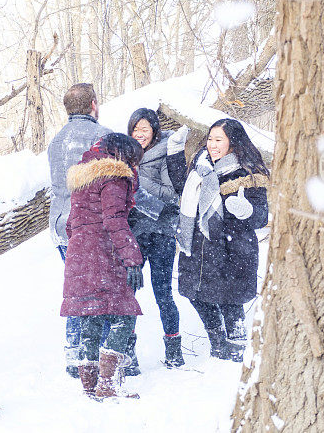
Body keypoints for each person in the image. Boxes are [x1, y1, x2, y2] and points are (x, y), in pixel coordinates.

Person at [175, 118, 269, 362]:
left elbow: (261, 215)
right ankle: (218, 345)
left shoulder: (248, 172)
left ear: (233, 142)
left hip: (233, 250)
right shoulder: (199, 168)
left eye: (219, 140)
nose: (212, 145)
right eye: (210, 139)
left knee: (230, 303)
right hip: (199, 248)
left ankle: (236, 355)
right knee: (196, 295)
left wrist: (247, 211)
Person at [61, 133, 145, 399]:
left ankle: (89, 385)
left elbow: (69, 224)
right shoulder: (114, 177)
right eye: (134, 160)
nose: (134, 167)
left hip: (79, 253)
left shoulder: (83, 179)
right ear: (123, 156)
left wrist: (84, 242)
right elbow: (115, 220)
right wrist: (132, 259)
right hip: (103, 254)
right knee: (123, 316)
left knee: (92, 315)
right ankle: (108, 385)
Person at [47, 83, 110, 377]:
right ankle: (96, 353)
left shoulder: (56, 142)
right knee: (98, 291)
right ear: (93, 105)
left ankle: (74, 353)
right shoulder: (104, 137)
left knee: (75, 288)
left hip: (61, 226)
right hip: (91, 227)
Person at [127, 108, 184, 368]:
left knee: (163, 293)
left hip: (161, 233)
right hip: (133, 235)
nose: (139, 135)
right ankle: (128, 354)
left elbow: (171, 195)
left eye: (145, 130)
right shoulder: (123, 155)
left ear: (154, 131)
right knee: (127, 294)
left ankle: (174, 352)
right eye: (135, 130)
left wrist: (135, 182)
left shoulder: (165, 153)